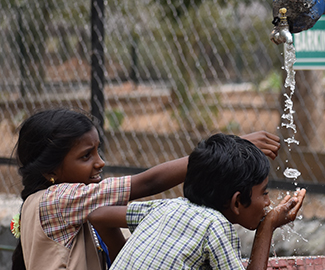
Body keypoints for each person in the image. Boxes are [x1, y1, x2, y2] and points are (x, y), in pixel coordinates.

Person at [11, 108, 280, 270]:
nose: (100, 162)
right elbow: (147, 183)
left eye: (97, 151)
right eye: (86, 156)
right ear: (50, 171)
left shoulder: (45, 204)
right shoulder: (60, 199)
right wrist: (223, 153)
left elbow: (101, 216)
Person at [88, 133, 306, 270]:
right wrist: (267, 227)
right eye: (264, 193)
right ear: (237, 202)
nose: (268, 202)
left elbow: (98, 216)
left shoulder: (168, 206)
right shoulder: (215, 226)